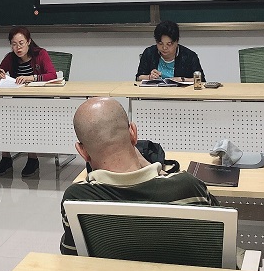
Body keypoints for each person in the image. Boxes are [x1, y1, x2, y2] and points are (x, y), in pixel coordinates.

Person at [59, 97, 218, 256]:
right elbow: (221, 236)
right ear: (133, 133)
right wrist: (154, 167)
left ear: (82, 152)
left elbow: (71, 255)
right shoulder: (188, 187)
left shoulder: (76, 198)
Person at [0, 26, 56, 178]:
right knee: (3, 118)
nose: (18, 48)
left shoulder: (41, 54)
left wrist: (31, 78)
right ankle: (6, 158)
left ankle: (32, 159)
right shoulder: (10, 58)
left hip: (40, 101)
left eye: (21, 43)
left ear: (29, 42)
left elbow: (52, 75)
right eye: (14, 44)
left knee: (29, 119)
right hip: (18, 101)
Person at [135, 20, 204, 82]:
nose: (164, 48)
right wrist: (149, 77)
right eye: (160, 43)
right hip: (155, 91)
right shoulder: (149, 53)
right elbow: (138, 77)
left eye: (169, 44)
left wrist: (182, 79)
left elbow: (201, 80)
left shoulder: (189, 56)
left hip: (179, 92)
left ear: (176, 42)